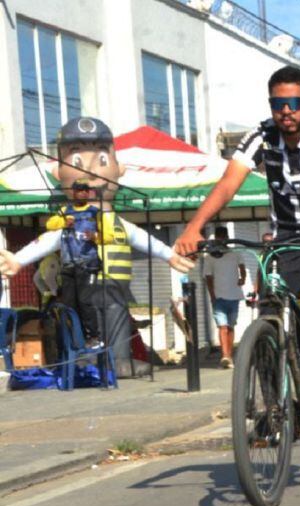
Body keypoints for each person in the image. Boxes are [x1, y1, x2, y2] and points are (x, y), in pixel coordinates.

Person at [172, 66, 300, 403]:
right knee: (269, 305)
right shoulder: (261, 136)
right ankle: (274, 409)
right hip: (288, 235)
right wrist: (194, 228)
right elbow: (227, 185)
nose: (286, 111)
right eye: (278, 104)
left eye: (294, 103)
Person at [0, 117, 192, 375]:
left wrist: (169, 254)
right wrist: (19, 259)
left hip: (114, 282)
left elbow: (144, 239)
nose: (89, 176)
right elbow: (47, 240)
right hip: (81, 280)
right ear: (58, 173)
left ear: (119, 168)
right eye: (76, 162)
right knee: (79, 319)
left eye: (102, 160)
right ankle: (83, 361)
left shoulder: (117, 222)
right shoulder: (70, 220)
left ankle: (118, 360)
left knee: (115, 317)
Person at [202, 226, 247, 368]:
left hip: (234, 295)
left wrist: (243, 279)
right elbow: (208, 278)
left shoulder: (235, 253)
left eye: (223, 236)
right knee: (222, 327)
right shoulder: (209, 257)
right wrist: (212, 295)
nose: (221, 239)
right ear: (215, 238)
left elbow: (242, 268)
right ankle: (225, 356)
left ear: (227, 238)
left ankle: (229, 355)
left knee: (231, 326)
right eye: (219, 236)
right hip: (219, 296)